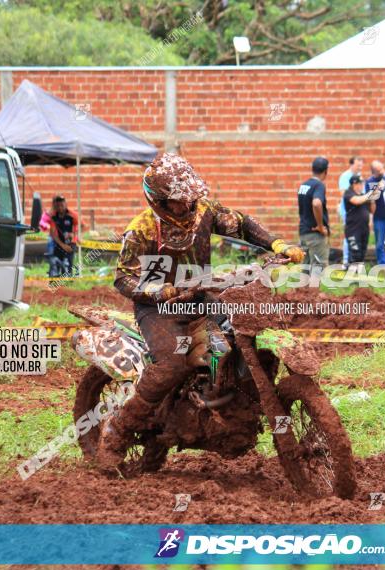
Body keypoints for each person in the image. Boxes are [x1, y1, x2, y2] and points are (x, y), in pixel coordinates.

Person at [98, 153, 304, 472]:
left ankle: (230, 402)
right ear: (160, 202)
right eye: (180, 201)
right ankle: (118, 430)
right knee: (172, 364)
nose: (188, 205)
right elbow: (123, 277)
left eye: (191, 198)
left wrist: (276, 244)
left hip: (200, 294)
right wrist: (157, 290)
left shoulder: (204, 211)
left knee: (242, 331)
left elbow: (241, 224)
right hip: (159, 308)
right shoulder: (141, 230)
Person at [298, 156, 331, 271]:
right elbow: (316, 203)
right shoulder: (319, 185)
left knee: (305, 270)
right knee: (318, 268)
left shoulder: (304, 185)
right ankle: (314, 290)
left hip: (303, 233)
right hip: (315, 235)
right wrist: (321, 227)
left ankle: (303, 290)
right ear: (326, 171)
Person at [343, 175, 378, 265]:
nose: (362, 185)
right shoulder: (348, 193)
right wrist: (370, 193)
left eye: (362, 183)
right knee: (355, 253)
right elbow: (357, 201)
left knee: (362, 253)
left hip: (364, 229)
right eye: (360, 183)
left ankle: (358, 274)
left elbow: (372, 210)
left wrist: (373, 199)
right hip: (353, 230)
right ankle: (351, 274)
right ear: (354, 184)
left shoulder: (363, 195)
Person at [338, 156, 365, 266]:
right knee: (349, 236)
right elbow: (344, 194)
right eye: (358, 164)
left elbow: (363, 194)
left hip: (359, 212)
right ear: (351, 164)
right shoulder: (345, 176)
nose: (360, 166)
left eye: (361, 164)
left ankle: (356, 261)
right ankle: (346, 261)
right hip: (348, 211)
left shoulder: (360, 177)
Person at [48, 196, 77, 277]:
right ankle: (55, 285)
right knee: (55, 264)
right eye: (58, 206)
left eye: (62, 205)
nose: (60, 208)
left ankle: (68, 284)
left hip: (71, 244)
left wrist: (73, 234)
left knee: (68, 266)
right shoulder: (53, 216)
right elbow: (53, 234)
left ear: (66, 205)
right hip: (59, 244)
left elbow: (82, 226)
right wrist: (63, 245)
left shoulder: (73, 215)